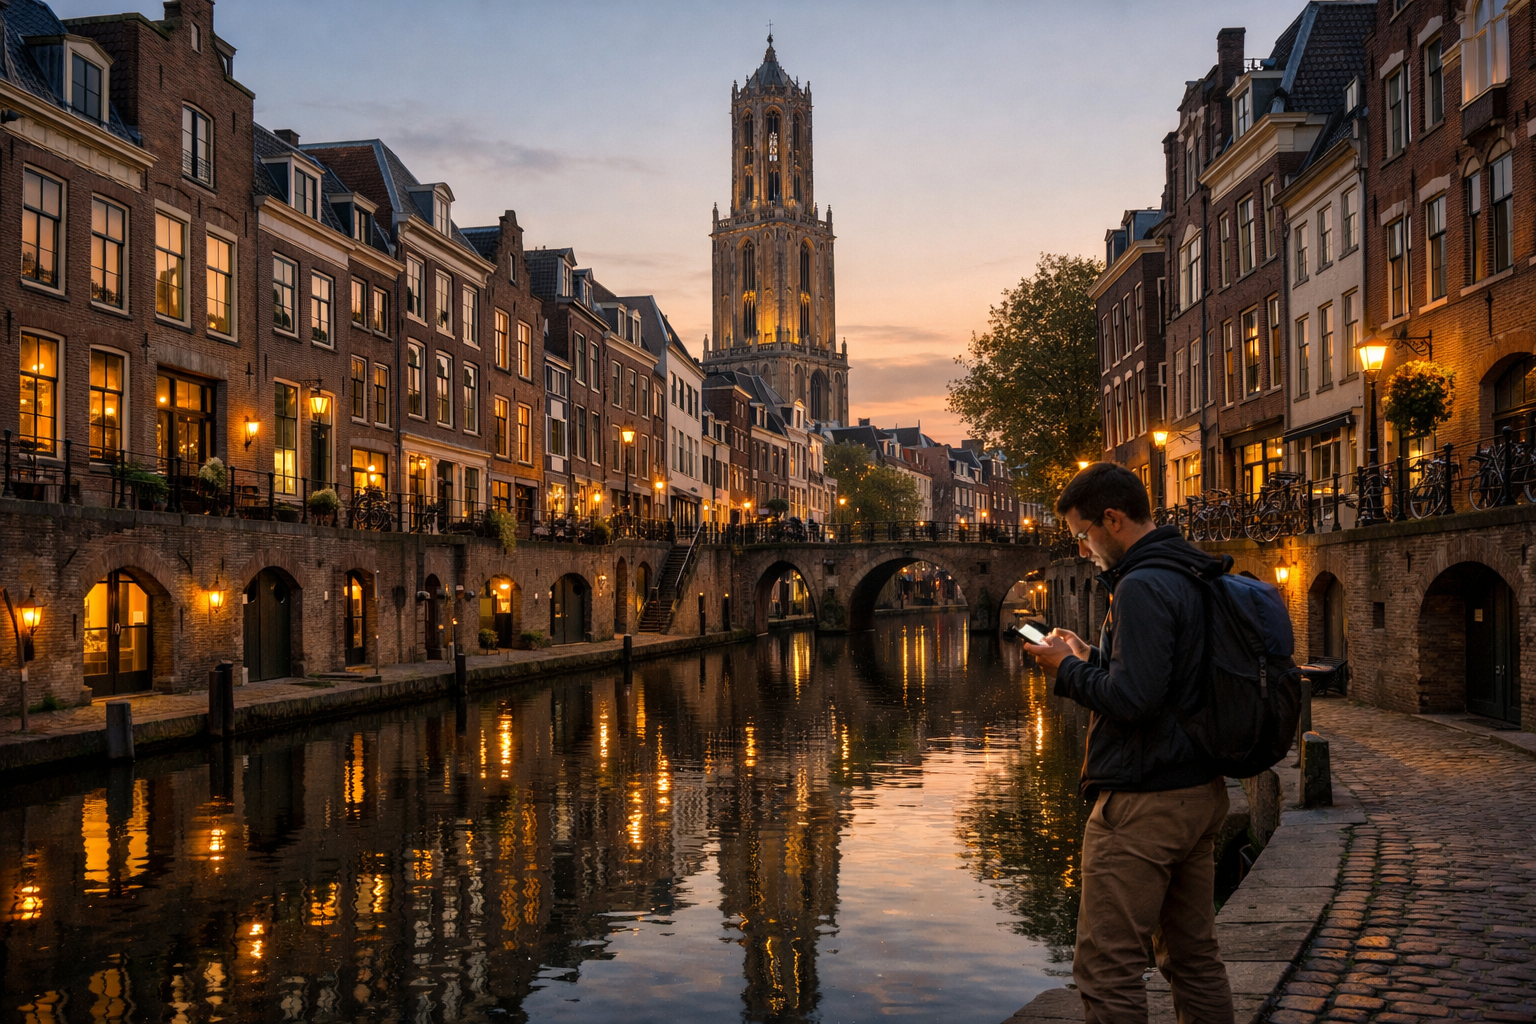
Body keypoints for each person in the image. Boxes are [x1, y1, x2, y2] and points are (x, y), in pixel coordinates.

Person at [1024, 462, 1234, 1024]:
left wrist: (1065, 671)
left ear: (1111, 520)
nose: (1084, 547)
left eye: (1083, 534)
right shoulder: (1189, 568)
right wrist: (1091, 656)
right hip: (1199, 789)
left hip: (1145, 800)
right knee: (1193, 956)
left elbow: (1134, 701)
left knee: (1106, 966)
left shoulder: (1140, 584)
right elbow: (1167, 680)